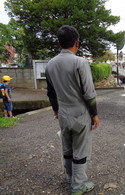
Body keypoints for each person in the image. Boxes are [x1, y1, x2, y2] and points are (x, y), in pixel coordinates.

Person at [45, 25, 100, 195]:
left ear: (58, 43)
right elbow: (89, 94)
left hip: (63, 112)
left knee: (67, 149)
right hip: (80, 113)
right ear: (77, 43)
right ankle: (78, 186)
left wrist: (55, 110)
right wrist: (94, 114)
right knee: (81, 150)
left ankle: (69, 178)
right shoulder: (80, 62)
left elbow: (51, 92)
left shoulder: (50, 64)